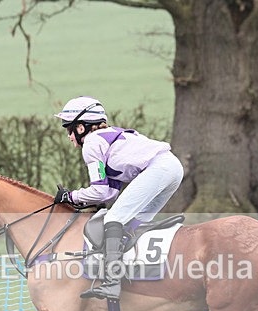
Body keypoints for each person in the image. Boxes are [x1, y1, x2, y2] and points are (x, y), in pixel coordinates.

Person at [53, 96, 184, 300]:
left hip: (159, 169)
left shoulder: (92, 143)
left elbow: (98, 191)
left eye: (69, 129)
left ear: (81, 127)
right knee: (132, 224)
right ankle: (136, 276)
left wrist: (71, 196)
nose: (69, 136)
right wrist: (79, 199)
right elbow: (109, 192)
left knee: (113, 220)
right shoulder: (109, 136)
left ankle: (112, 283)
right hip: (173, 168)